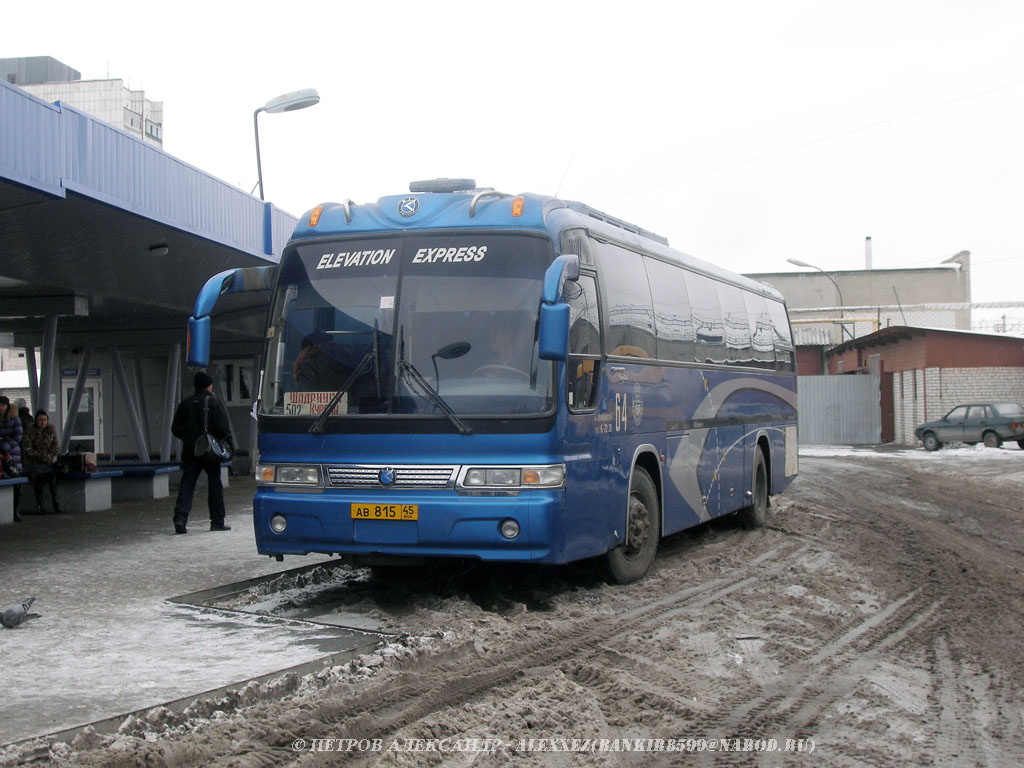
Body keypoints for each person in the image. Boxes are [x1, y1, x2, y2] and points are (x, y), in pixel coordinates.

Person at [170, 371, 233, 534]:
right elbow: (223, 428)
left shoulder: (185, 404)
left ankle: (180, 519)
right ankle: (217, 521)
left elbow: (175, 428)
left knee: (187, 483)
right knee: (214, 484)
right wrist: (228, 446)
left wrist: (188, 436)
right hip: (209, 450)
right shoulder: (214, 403)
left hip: (191, 450)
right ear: (209, 385)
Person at [22, 410, 61, 515]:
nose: (43, 422)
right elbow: (28, 450)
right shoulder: (29, 432)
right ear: (36, 421)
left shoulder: (51, 431)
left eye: (45, 420)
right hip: (32, 463)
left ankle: (56, 504)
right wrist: (42, 457)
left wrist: (48, 457)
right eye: (40, 420)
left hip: (47, 463)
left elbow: (56, 448)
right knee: (38, 478)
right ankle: (40, 505)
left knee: (53, 477)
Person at [0, 396, 24, 522]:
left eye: (3, 406)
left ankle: (15, 510)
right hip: (2, 453)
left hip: (13, 454)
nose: (1, 408)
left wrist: (4, 444)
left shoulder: (15, 419)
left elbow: (18, 437)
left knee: (15, 481)